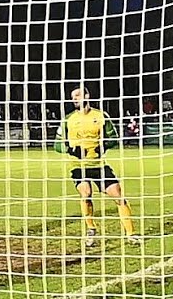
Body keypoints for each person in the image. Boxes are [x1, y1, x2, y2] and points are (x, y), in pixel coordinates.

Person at [56, 85, 140, 247]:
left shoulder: (100, 116)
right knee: (86, 193)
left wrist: (103, 146)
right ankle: (91, 229)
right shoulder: (68, 119)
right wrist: (71, 149)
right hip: (78, 166)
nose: (74, 99)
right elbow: (56, 144)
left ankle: (131, 234)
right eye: (73, 97)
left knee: (118, 195)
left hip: (98, 165)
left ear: (87, 96)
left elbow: (113, 138)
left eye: (78, 95)